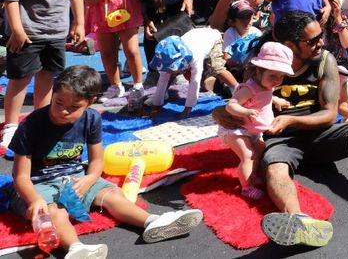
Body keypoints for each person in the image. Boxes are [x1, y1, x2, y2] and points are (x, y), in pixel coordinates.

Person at [212, 11, 348, 246]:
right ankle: (297, 221)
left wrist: (290, 120)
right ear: (290, 45)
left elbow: (329, 114)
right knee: (275, 169)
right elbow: (238, 101)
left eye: (321, 36)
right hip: (280, 140)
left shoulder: (325, 60)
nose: (321, 43)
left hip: (319, 133)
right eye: (313, 40)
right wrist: (227, 114)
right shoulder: (263, 63)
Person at [10, 66, 204, 257]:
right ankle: (76, 249)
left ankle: (153, 221)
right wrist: (35, 200)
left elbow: (96, 160)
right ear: (52, 94)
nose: (64, 111)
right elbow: (21, 176)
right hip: (38, 183)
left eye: (74, 107)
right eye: (58, 102)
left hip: (74, 177)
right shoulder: (32, 124)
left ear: (90, 102)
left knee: (113, 194)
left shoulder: (91, 118)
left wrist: (90, 178)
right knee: (54, 212)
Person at [0, 0, 86, 150]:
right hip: (28, 34)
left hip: (56, 32)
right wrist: (17, 30)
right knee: (19, 79)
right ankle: (11, 126)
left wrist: (79, 22)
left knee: (47, 76)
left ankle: (40, 119)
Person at [219, 42, 294, 199]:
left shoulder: (266, 85)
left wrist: (276, 100)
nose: (277, 80)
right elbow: (230, 105)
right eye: (273, 75)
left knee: (260, 150)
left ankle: (252, 174)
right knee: (248, 155)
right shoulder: (248, 89)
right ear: (259, 70)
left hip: (253, 129)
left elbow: (265, 97)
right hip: (238, 129)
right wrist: (245, 111)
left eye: (281, 76)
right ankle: (246, 187)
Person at [84, 0, 144, 104]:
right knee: (108, 53)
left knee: (132, 50)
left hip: (127, 14)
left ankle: (138, 84)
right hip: (103, 17)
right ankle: (115, 85)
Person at [147, 28, 236, 116]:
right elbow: (162, 80)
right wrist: (156, 106)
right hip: (195, 37)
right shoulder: (166, 57)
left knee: (216, 67)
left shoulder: (195, 56)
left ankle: (237, 88)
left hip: (213, 37)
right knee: (168, 74)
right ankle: (163, 95)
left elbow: (195, 82)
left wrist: (188, 108)